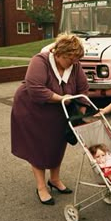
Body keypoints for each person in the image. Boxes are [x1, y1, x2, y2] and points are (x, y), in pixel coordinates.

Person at [11, 34, 89, 206]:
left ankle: (54, 179)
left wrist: (80, 113)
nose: (74, 62)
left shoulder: (75, 66)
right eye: (71, 58)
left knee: (57, 144)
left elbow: (83, 88)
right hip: (31, 109)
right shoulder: (40, 61)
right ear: (60, 53)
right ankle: (41, 187)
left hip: (57, 112)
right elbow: (35, 88)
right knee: (37, 147)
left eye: (76, 59)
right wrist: (60, 98)